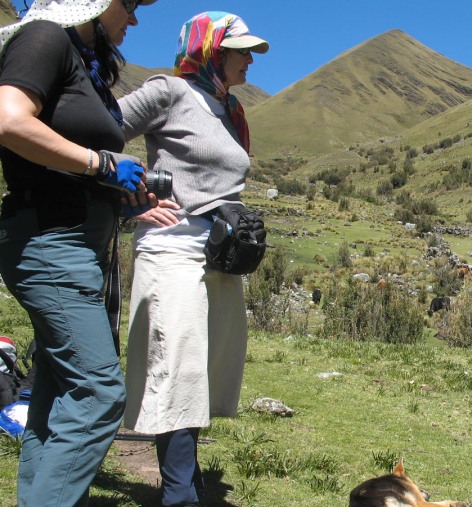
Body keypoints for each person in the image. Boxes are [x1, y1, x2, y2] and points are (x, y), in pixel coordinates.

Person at [0, 0, 156, 505]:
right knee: (97, 395)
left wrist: (120, 196)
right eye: (129, 5)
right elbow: (8, 121)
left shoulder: (80, 60)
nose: (133, 19)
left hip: (76, 241)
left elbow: (65, 160)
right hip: (52, 241)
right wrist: (100, 166)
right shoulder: (43, 36)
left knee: (55, 394)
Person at [118, 11, 268, 507]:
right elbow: (97, 130)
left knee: (205, 366)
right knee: (177, 363)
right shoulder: (170, 91)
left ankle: (186, 477)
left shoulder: (230, 109)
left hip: (218, 252)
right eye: (240, 50)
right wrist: (132, 197)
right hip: (174, 241)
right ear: (211, 50)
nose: (249, 59)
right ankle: (180, 494)